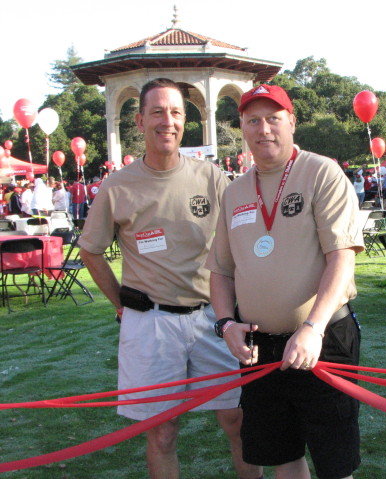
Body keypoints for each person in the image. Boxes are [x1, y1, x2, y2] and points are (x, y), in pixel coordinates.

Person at [78, 78, 261, 479]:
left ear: (185, 121)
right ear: (141, 120)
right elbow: (90, 250)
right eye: (158, 112)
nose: (168, 121)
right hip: (151, 324)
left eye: (176, 112)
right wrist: (119, 304)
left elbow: (242, 237)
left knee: (238, 421)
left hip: (214, 319)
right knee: (162, 433)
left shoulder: (210, 177)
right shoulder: (117, 186)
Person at [207, 84, 363, 479]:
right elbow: (221, 271)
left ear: (291, 122)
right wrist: (226, 324)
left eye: (274, 118)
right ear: (242, 127)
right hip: (260, 348)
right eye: (253, 120)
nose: (264, 129)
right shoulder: (236, 191)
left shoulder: (321, 172)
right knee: (281, 454)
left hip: (322, 340)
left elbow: (342, 257)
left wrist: (313, 327)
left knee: (334, 459)